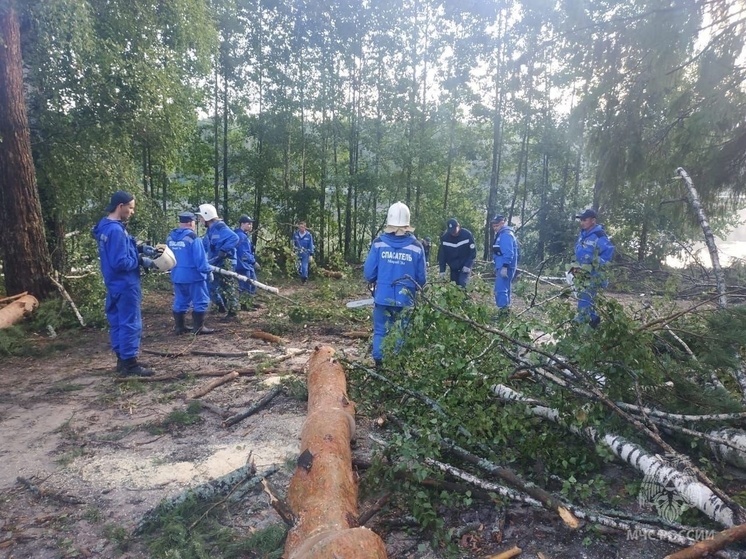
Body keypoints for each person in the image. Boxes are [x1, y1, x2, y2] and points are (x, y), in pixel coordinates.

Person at [92, 190, 155, 377]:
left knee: (118, 321)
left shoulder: (105, 226)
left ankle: (122, 359)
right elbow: (121, 262)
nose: (132, 212)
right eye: (131, 208)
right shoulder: (116, 230)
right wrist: (142, 261)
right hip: (126, 283)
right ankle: (130, 364)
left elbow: (121, 248)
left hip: (113, 284)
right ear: (121, 206)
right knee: (130, 323)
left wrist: (140, 248)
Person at [363, 202, 427, 368]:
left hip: (382, 297)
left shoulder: (378, 244)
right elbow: (421, 279)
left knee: (380, 331)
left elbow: (369, 273)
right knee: (401, 331)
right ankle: (397, 366)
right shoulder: (416, 247)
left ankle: (379, 363)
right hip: (406, 299)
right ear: (407, 224)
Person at [166, 212, 215, 335]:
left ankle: (179, 327)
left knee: (180, 300)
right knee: (201, 301)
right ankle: (198, 328)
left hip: (177, 275)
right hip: (194, 276)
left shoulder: (170, 237)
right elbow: (200, 260)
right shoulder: (193, 238)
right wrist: (208, 271)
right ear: (190, 222)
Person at [573, 208, 615, 328]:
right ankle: (594, 322)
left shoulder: (599, 235)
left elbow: (607, 255)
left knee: (584, 301)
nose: (582, 222)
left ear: (593, 220)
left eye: (584, 220)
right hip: (582, 274)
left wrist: (593, 266)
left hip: (593, 276)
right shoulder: (583, 234)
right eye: (581, 220)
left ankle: (580, 326)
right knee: (586, 300)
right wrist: (576, 266)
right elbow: (579, 253)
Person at [196, 203, 240, 319]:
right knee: (211, 285)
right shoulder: (210, 230)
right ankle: (220, 305)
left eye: (201, 217)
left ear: (207, 216)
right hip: (215, 263)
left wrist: (224, 250)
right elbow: (206, 245)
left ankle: (232, 312)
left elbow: (235, 238)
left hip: (226, 263)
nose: (199, 220)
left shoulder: (221, 228)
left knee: (227, 287)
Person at [491, 215, 519, 313]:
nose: (495, 228)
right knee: (505, 288)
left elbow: (508, 252)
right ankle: (506, 310)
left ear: (503, 223)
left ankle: (503, 312)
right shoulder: (500, 234)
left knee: (501, 289)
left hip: (506, 267)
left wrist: (504, 266)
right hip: (501, 265)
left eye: (497, 225)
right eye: (493, 226)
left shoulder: (506, 234)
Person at [437, 218, 476, 287]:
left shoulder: (467, 235)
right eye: (451, 231)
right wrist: (442, 270)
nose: (453, 233)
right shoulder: (445, 238)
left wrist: (468, 265)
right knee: (454, 286)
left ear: (458, 226)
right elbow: (442, 255)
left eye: (454, 230)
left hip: (465, 266)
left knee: (463, 283)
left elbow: (472, 252)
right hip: (453, 267)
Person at [234, 215, 258, 306]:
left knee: (252, 283)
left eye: (251, 224)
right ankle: (245, 304)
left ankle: (249, 302)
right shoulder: (241, 236)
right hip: (243, 265)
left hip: (246, 264)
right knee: (246, 285)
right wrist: (253, 262)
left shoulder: (244, 235)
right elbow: (244, 253)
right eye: (249, 223)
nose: (251, 225)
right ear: (242, 224)